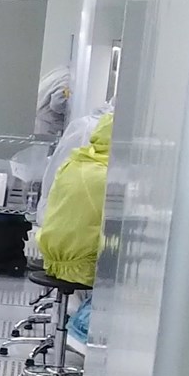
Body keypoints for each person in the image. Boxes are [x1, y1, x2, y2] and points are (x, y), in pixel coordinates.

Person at [36, 113, 110, 351]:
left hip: (53, 254)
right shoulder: (107, 176)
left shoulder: (76, 161)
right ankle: (83, 333)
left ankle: (74, 326)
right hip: (80, 264)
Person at [34, 66, 73, 139]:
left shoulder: (60, 71)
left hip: (40, 122)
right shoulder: (69, 79)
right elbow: (57, 104)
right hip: (47, 126)